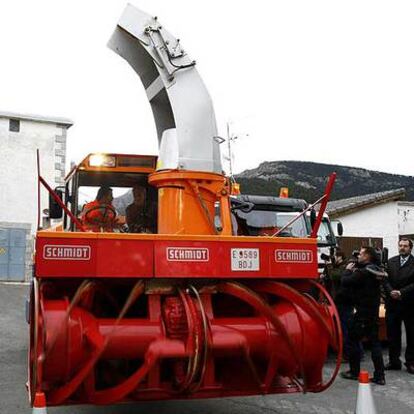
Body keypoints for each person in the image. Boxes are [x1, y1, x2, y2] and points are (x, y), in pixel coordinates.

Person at [340, 246, 385, 385]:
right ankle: (380, 376)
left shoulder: (363, 272)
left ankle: (354, 372)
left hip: (362, 313)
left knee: (353, 340)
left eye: (360, 254)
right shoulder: (377, 271)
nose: (358, 256)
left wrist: (347, 270)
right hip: (373, 313)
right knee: (375, 343)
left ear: (367, 256)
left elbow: (345, 281)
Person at [383, 238, 414, 374]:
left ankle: (411, 362)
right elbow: (385, 279)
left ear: (410, 248)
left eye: (405, 246)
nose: (402, 248)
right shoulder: (391, 261)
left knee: (412, 335)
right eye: (400, 245)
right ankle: (394, 361)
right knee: (392, 334)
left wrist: (401, 292)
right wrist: (391, 291)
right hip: (392, 304)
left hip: (409, 304)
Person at [325, 249, 361, 362]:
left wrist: (329, 266)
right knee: (344, 327)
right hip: (339, 302)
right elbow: (331, 280)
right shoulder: (339, 267)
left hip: (344, 302)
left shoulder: (345, 267)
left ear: (340, 257)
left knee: (346, 328)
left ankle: (349, 354)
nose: (332, 258)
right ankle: (353, 352)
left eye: (334, 256)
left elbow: (336, 277)